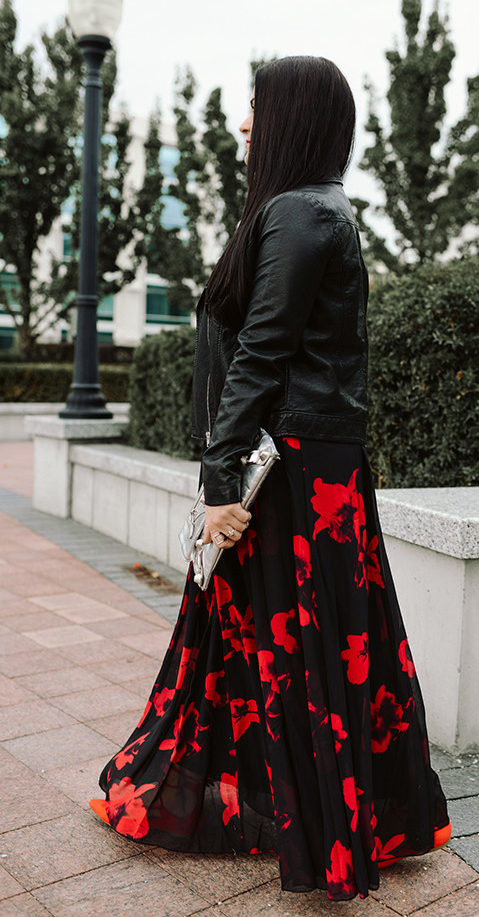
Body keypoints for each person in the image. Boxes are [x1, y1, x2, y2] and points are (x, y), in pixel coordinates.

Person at [91, 56, 449, 902]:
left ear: (289, 117)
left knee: (292, 650)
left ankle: (309, 830)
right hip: (303, 469)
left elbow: (262, 351)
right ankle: (283, 809)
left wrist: (218, 478)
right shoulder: (307, 211)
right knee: (273, 645)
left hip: (282, 474)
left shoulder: (298, 212)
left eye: (255, 109)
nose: (244, 125)